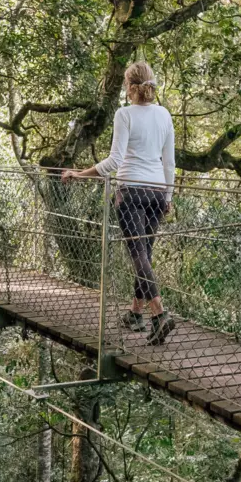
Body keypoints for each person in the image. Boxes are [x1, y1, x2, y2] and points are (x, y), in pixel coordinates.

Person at [61, 61, 176, 345]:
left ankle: (159, 314)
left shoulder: (124, 114)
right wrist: (169, 195)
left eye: (125, 84)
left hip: (131, 193)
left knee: (138, 254)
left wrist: (79, 174)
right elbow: (169, 161)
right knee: (144, 255)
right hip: (158, 193)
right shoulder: (164, 115)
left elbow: (114, 161)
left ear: (131, 87)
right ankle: (135, 314)